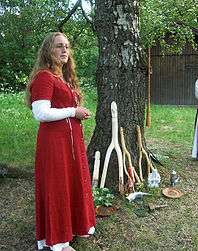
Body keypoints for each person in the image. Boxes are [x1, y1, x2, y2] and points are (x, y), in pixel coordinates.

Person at [26, 32, 96, 251]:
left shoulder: (63, 77)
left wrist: (76, 113)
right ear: (48, 50)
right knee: (58, 187)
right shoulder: (44, 77)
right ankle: (58, 242)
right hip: (54, 144)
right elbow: (41, 113)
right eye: (59, 46)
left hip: (70, 143)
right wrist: (73, 111)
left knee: (70, 183)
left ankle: (70, 228)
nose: (64, 50)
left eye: (67, 46)